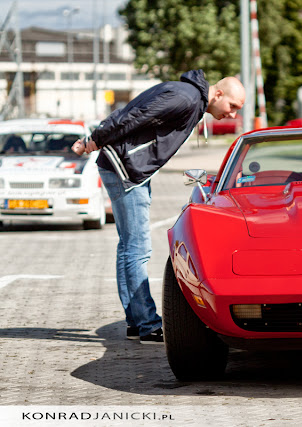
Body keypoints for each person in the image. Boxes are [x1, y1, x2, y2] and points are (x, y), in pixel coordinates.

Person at [72, 70, 245, 344]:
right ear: (219, 93)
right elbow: (134, 114)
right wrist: (96, 138)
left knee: (129, 246)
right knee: (137, 249)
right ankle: (148, 325)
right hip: (126, 170)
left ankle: (135, 321)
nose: (233, 114)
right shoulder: (185, 98)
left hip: (129, 169)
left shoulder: (189, 97)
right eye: (233, 107)